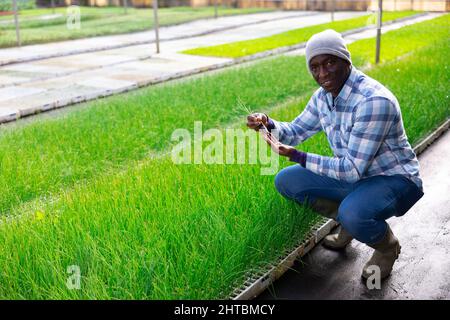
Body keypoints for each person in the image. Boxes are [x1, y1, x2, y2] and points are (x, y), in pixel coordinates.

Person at [247, 29, 424, 280]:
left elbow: (351, 169)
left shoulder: (373, 101)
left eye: (330, 62)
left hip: (394, 179)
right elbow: (296, 131)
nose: (323, 73)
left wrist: (298, 156)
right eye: (315, 67)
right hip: (355, 176)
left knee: (354, 212)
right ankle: (350, 223)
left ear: (346, 60)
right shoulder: (323, 97)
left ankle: (386, 246)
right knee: (287, 181)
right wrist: (267, 123)